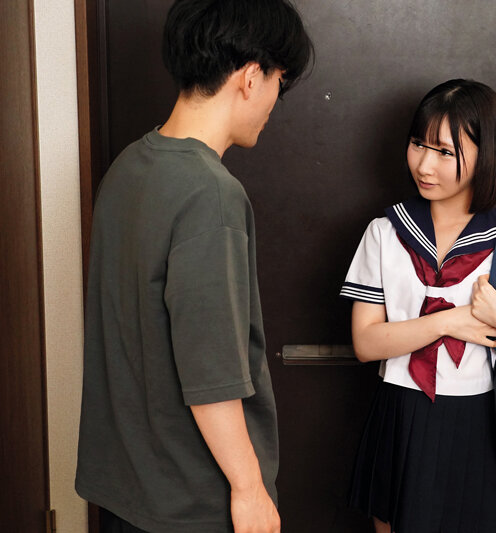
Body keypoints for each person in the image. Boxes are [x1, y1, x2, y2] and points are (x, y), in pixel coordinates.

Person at [75, 1, 312, 532]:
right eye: (279, 83)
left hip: (125, 492)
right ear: (251, 77)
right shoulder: (210, 193)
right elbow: (212, 374)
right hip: (192, 502)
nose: (274, 103)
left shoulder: (128, 167)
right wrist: (250, 490)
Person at [340, 79, 496, 533]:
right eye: (418, 144)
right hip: (401, 410)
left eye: (444, 152)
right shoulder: (385, 233)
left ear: (487, 154)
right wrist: (450, 321)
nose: (424, 164)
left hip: (482, 418)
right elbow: (366, 343)